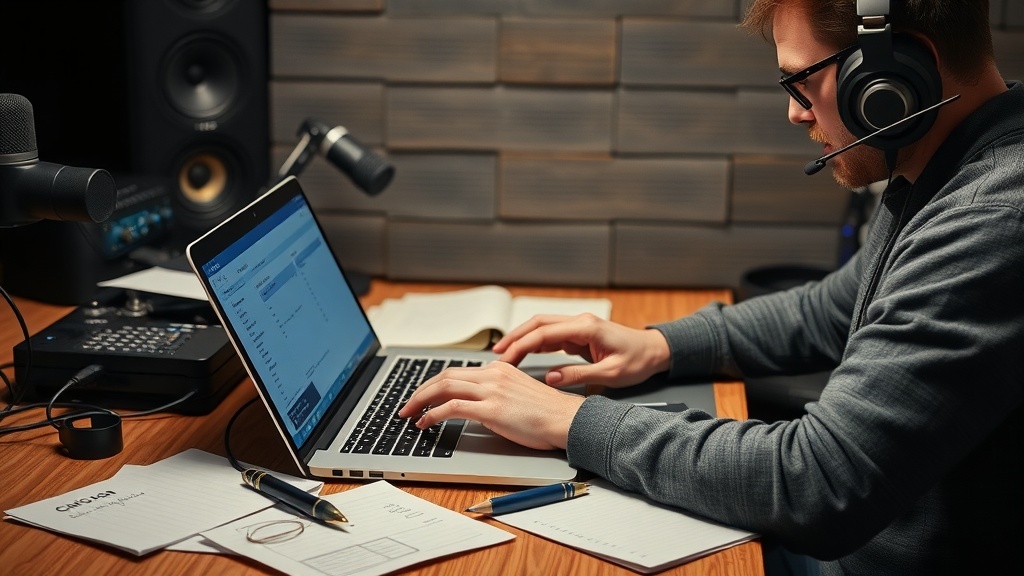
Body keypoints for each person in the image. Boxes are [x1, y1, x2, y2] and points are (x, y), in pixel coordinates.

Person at [399, 0, 1023, 574]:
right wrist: (658, 345)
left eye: (804, 80)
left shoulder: (993, 219)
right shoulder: (946, 167)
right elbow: (835, 309)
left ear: (894, 76)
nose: (795, 111)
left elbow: (818, 481)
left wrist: (571, 420)